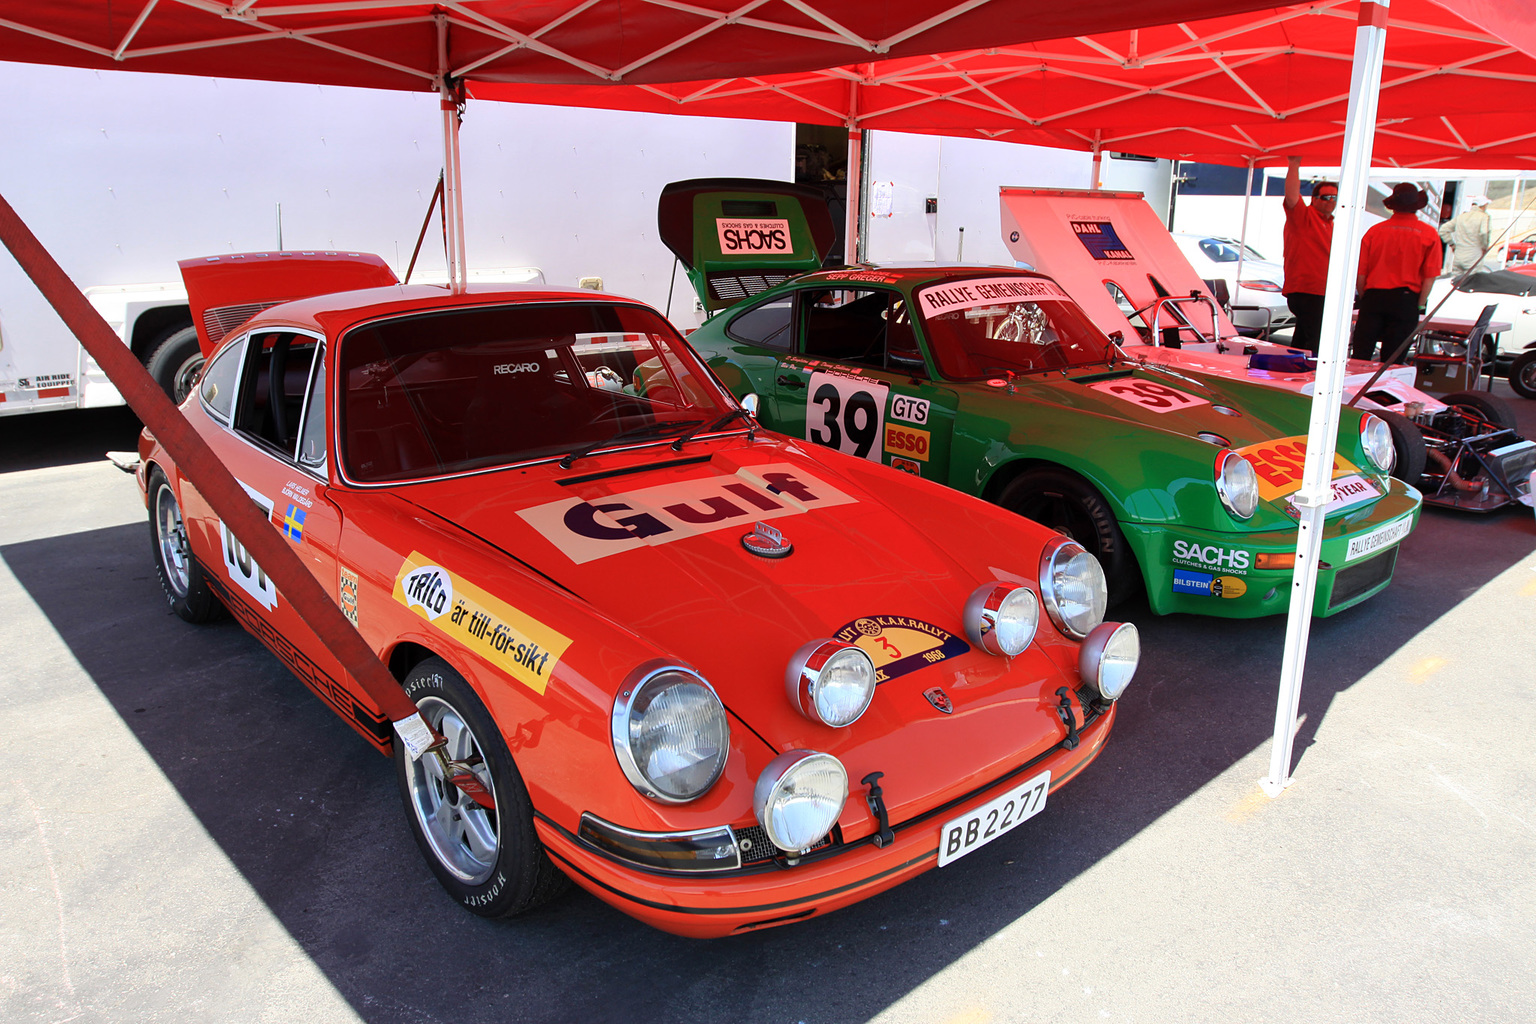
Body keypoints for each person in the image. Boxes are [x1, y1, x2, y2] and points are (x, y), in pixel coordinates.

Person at [1351, 182, 1443, 363]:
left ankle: (1353, 389)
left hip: (1373, 298)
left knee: (1360, 356)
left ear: (1393, 206)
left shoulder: (1375, 232)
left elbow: (1360, 274)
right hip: (1405, 300)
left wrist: (1365, 296)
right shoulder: (1429, 234)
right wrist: (1420, 304)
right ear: (1416, 207)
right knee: (1393, 361)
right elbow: (1429, 278)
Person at [1281, 156, 1336, 353]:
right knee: (1317, 342)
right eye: (1326, 197)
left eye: (1334, 197)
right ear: (1314, 199)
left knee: (1304, 338)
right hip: (1307, 291)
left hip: (1321, 292)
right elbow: (1292, 196)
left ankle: (1295, 373)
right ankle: (1313, 376)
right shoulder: (1303, 216)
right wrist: (1294, 165)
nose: (1331, 201)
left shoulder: (1332, 224)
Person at [1438, 193, 1493, 275]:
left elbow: (1443, 229)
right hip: (1474, 256)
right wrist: (1484, 247)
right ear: (1483, 205)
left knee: (1456, 282)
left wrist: (1452, 244)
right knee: (1471, 282)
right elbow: (1484, 233)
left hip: (1458, 256)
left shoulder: (1461, 217)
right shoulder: (1484, 217)